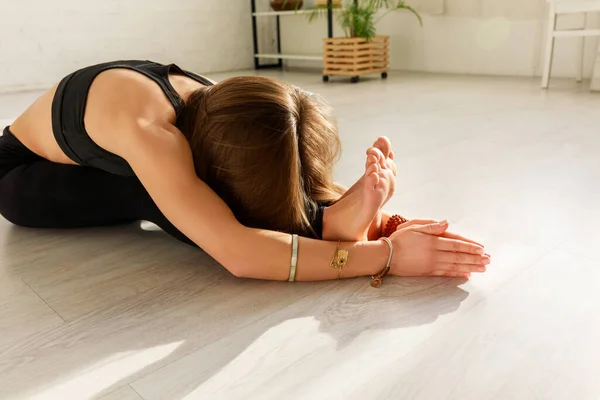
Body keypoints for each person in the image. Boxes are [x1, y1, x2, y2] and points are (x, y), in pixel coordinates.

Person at [0, 60, 490, 284]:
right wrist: (384, 256)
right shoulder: (149, 132)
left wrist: (375, 213)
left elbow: (269, 171)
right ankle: (330, 226)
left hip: (100, 158)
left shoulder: (222, 103)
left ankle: (330, 220)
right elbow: (238, 254)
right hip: (22, 180)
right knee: (164, 193)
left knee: (208, 183)